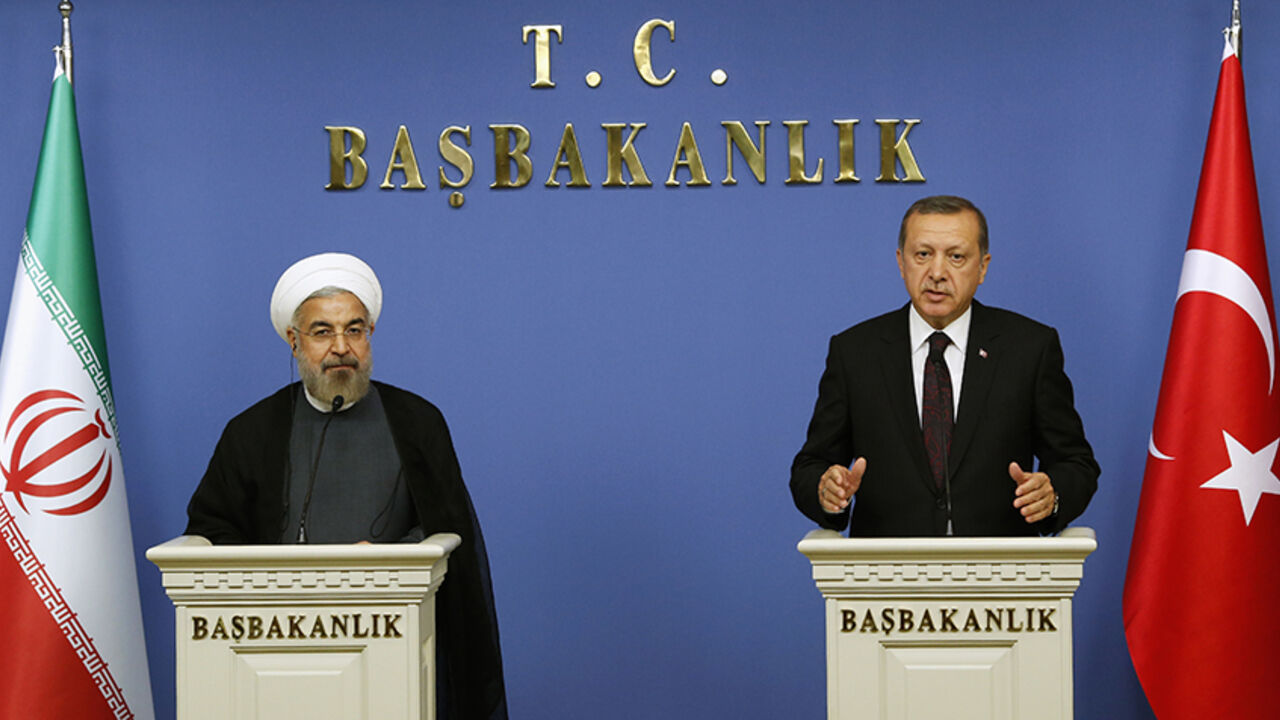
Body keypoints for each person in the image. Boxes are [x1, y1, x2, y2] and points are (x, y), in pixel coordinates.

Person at [185, 252, 507, 720]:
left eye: (354, 330)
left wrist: (389, 560)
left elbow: (448, 527)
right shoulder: (252, 431)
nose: (341, 346)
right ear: (295, 343)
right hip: (276, 650)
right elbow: (213, 529)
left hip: (393, 646)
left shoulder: (418, 422)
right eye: (323, 332)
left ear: (369, 337)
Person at [790, 196, 1099, 537]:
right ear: (900, 262)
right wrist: (827, 489)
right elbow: (810, 466)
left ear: (982, 267)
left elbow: (1077, 464)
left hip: (1000, 576)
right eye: (922, 255)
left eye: (956, 257)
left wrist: (1051, 495)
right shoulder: (855, 352)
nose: (937, 273)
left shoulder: (1029, 348)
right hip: (886, 578)